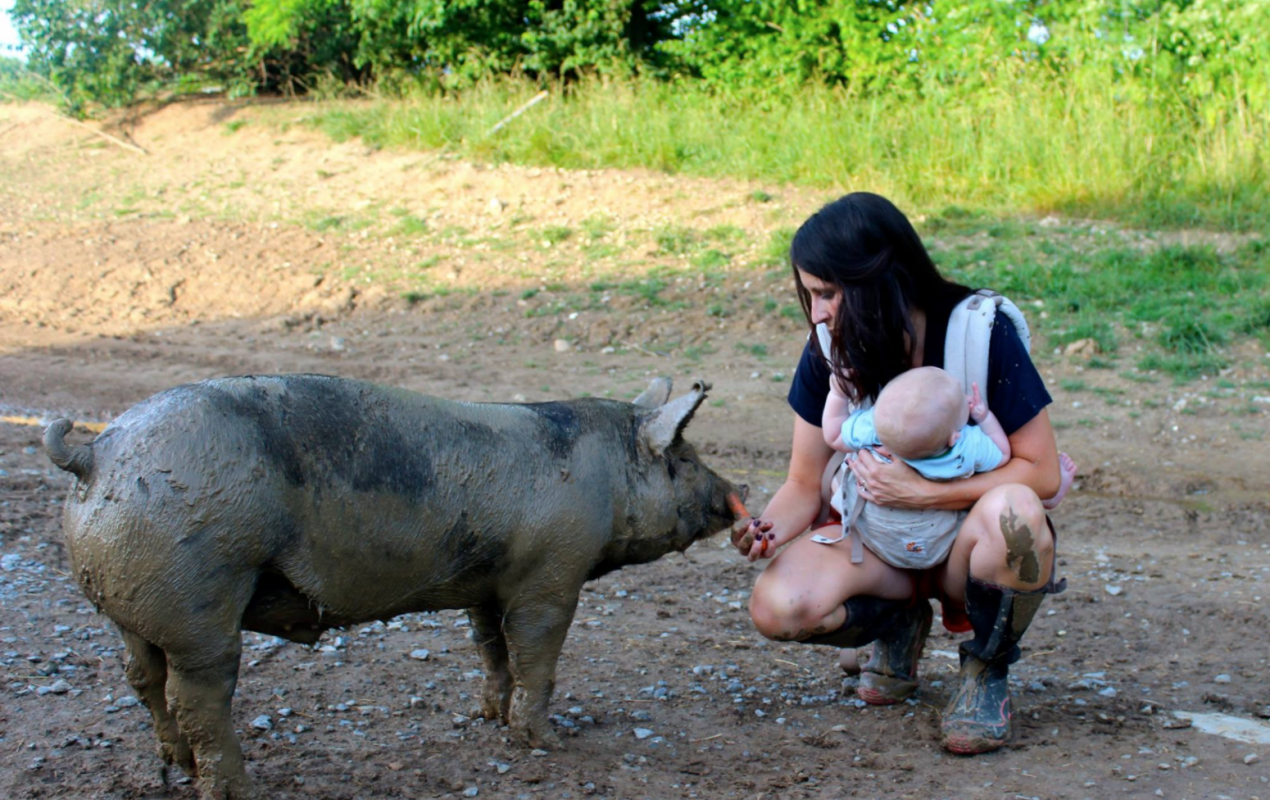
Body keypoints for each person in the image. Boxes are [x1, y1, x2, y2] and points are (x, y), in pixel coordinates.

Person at [733, 192, 1070, 755]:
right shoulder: (830, 347)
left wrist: (927, 493)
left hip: (963, 550)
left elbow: (1041, 472)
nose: (816, 313)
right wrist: (766, 529)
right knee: (776, 606)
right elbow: (801, 482)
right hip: (878, 547)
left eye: (826, 293)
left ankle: (986, 671)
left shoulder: (980, 333)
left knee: (1017, 515)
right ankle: (899, 622)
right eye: (810, 293)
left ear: (879, 279)